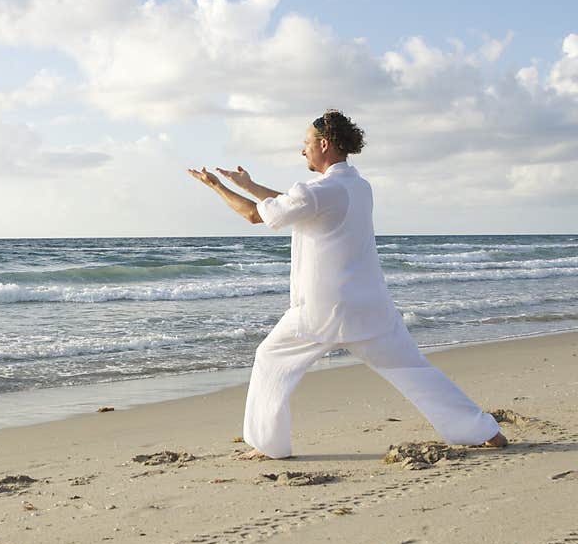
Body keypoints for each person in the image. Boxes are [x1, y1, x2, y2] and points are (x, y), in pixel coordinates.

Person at [187, 109, 507, 459]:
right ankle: (483, 430)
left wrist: (216, 186)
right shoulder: (356, 186)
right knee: (413, 371)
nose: (302, 150)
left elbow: (255, 215)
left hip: (323, 311)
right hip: (371, 307)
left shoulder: (317, 192)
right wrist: (248, 184)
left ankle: (269, 446)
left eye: (306, 143)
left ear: (323, 144)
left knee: (270, 359)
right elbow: (299, 203)